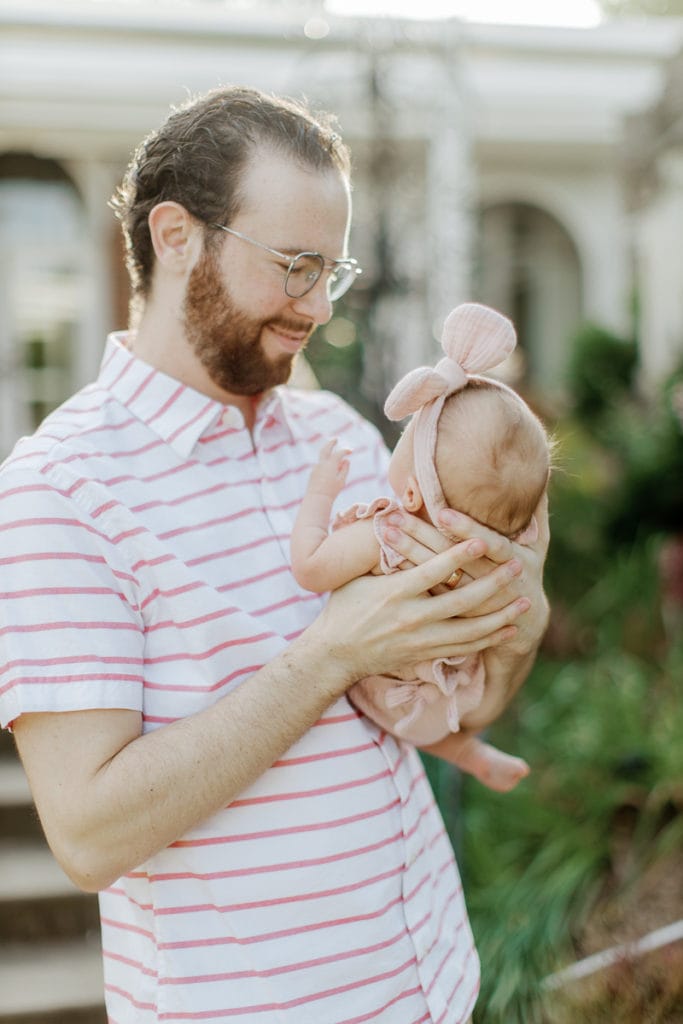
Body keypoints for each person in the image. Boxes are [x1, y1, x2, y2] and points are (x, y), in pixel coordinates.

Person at [0, 86, 549, 1024]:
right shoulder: (60, 488)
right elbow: (89, 837)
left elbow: (465, 691)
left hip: (437, 986)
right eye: (293, 267)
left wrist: (515, 618)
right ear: (175, 237)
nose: (315, 308)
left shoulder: (335, 431)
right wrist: (330, 653)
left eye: (329, 270)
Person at [291, 302, 550, 793]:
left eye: (407, 435)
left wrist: (321, 492)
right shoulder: (492, 555)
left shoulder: (388, 535)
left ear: (411, 493)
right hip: (457, 688)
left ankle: (468, 752)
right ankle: (469, 752)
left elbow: (310, 568)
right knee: (426, 712)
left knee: (385, 706)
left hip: (394, 695)